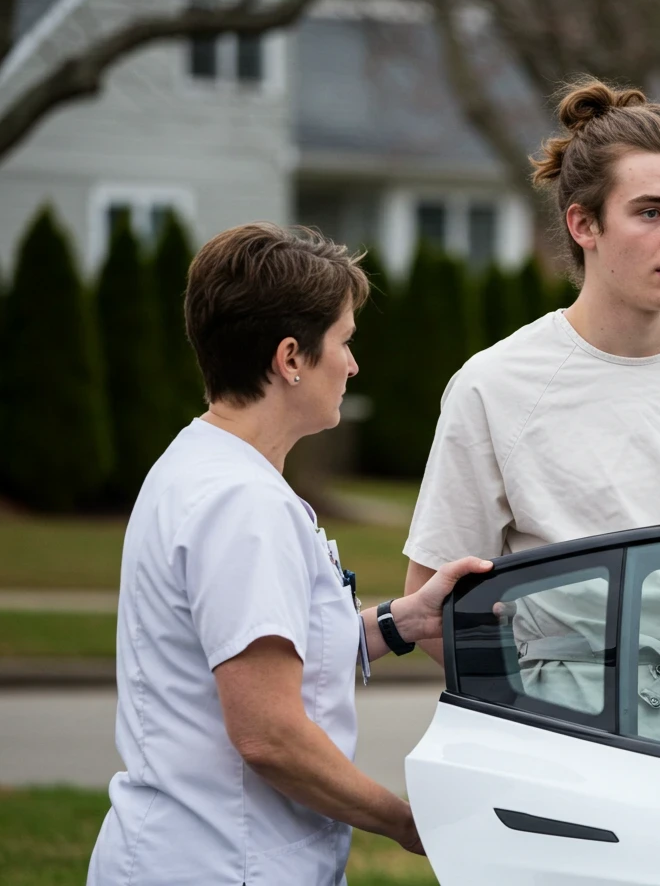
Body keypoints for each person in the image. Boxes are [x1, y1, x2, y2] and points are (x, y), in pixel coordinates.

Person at [87, 223, 492, 885]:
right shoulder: (242, 504)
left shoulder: (202, 465)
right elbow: (267, 733)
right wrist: (404, 821)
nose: (353, 364)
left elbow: (271, 649)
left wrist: (403, 621)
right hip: (221, 863)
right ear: (290, 358)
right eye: (344, 341)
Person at [402, 78, 660, 763]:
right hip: (570, 739)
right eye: (650, 212)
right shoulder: (496, 386)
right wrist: (535, 716)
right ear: (584, 224)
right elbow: (432, 608)